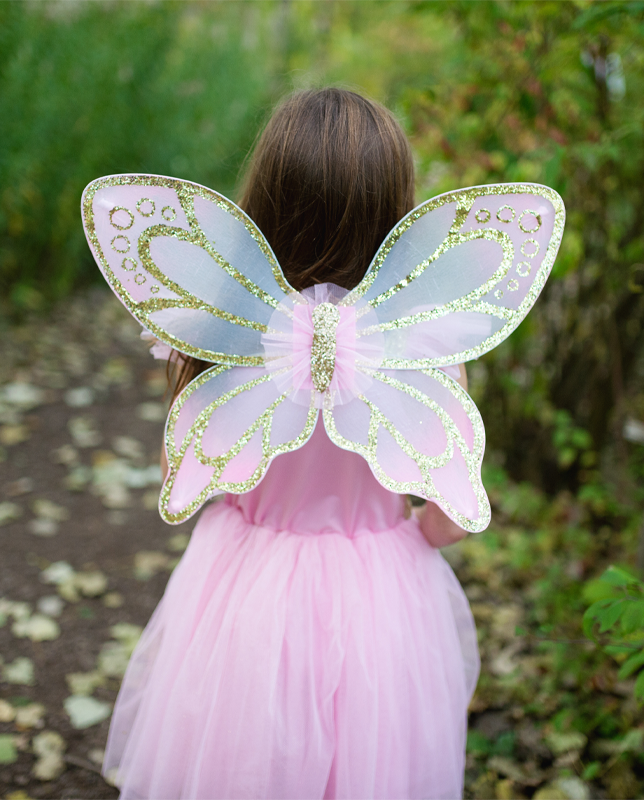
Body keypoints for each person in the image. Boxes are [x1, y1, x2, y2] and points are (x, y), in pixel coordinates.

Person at [101, 88, 481, 799]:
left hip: (247, 584)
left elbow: (183, 472)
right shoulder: (421, 337)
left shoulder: (222, 321)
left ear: (266, 194)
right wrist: (415, 533)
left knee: (239, 759)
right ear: (395, 203)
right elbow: (450, 519)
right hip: (380, 594)